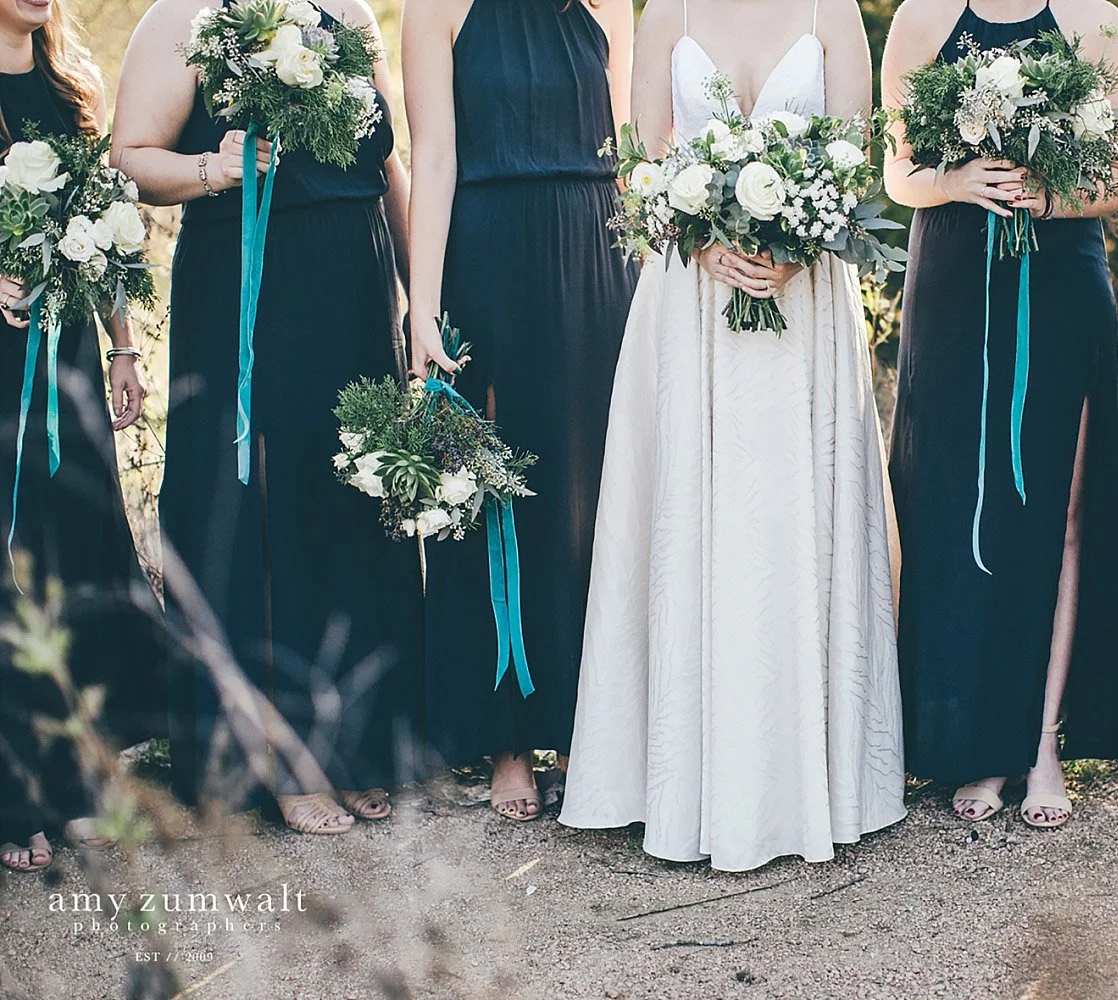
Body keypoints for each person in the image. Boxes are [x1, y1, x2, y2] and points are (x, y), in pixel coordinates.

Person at [559, 0, 908, 871]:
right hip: (691, 303)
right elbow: (639, 167)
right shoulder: (664, 11)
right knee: (694, 519)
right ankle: (688, 783)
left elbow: (858, 163)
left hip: (805, 302)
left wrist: (798, 248)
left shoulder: (834, 14)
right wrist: (698, 237)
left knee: (794, 519)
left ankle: (807, 779)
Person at [112, 0, 425, 835]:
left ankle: (358, 742)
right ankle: (279, 759)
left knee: (354, 501)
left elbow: (388, 165)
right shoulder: (180, 16)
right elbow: (132, 157)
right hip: (249, 291)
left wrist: (421, 293)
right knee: (267, 506)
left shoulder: (350, 12)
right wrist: (217, 168)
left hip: (357, 287)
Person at [883, 0, 1118, 829]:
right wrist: (958, 181)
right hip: (956, 280)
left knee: (1057, 515)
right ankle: (971, 741)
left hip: (1062, 280)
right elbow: (897, 173)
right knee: (956, 504)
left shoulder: (1097, 20)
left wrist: (1045, 193)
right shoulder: (922, 19)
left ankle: (1042, 742)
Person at [403, 0, 638, 822]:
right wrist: (422, 307)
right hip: (490, 255)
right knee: (496, 496)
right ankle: (507, 738)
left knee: (591, 495)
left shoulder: (607, 3)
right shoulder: (435, 8)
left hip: (598, 256)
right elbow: (432, 159)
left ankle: (586, 720)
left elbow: (634, 151)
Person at [0, 0, 164, 873]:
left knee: (71, 557)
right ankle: (12, 800)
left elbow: (99, 235)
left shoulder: (69, 93)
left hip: (64, 362)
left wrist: (125, 346)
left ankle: (76, 786)